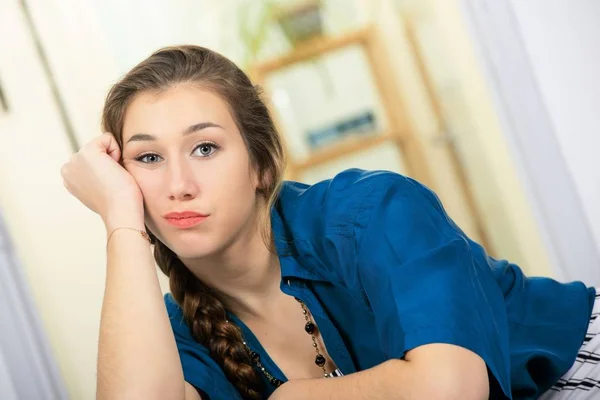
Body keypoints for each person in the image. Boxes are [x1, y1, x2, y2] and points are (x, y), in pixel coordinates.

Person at [61, 45, 598, 400]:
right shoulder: (178, 332)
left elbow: (452, 389)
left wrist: (296, 396)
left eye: (205, 147)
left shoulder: (373, 212)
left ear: (262, 166)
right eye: (148, 159)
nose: (178, 184)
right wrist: (121, 223)